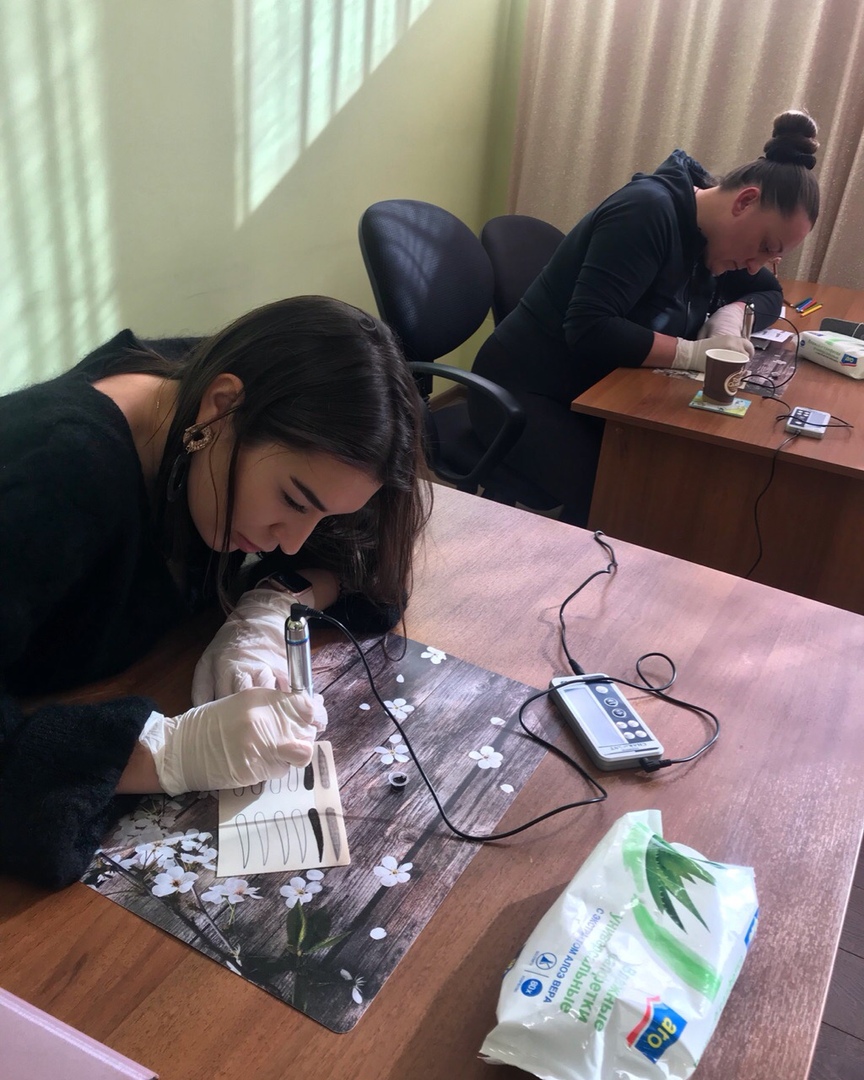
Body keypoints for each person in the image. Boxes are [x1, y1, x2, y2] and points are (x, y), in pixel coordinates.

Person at [0, 296, 431, 888]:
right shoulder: (56, 476)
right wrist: (165, 753)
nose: (291, 543)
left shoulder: (218, 398)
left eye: (322, 517)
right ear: (222, 408)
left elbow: (370, 567)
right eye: (293, 501)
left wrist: (272, 605)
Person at [470, 110, 820, 525]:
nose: (754, 265)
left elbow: (769, 292)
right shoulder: (646, 213)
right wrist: (693, 353)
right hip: (524, 391)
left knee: (673, 472)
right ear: (744, 201)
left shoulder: (715, 238)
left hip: (602, 390)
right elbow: (590, 328)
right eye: (765, 247)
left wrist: (731, 315)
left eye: (772, 257)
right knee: (629, 494)